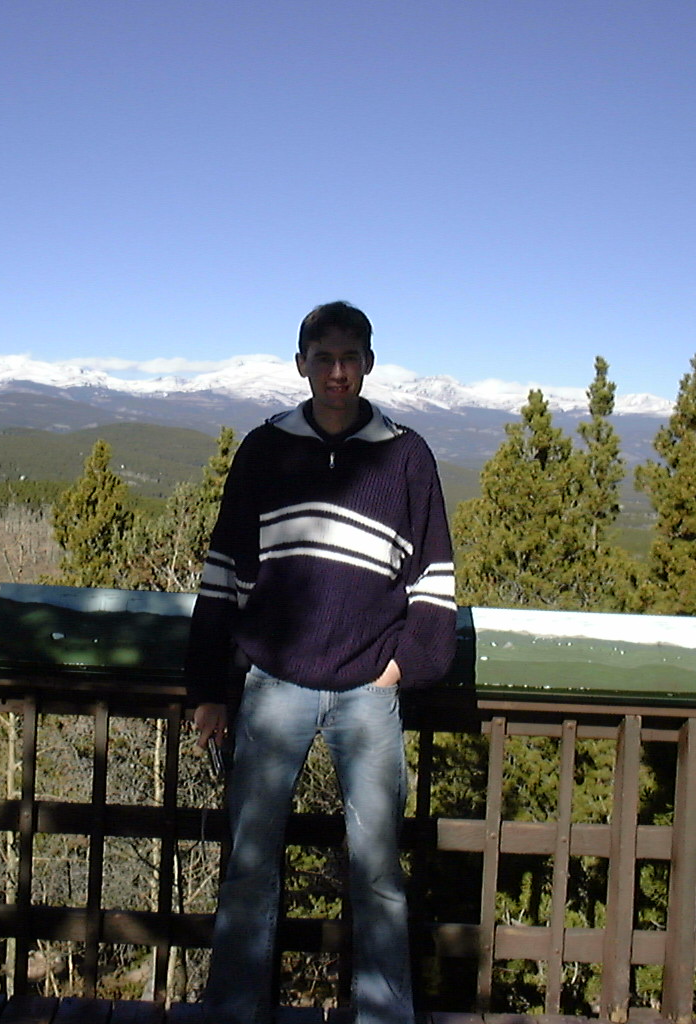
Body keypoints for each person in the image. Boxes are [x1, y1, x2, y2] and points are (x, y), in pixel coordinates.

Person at [186, 301, 457, 1024]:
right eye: (324, 357)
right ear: (301, 363)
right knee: (248, 868)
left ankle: (383, 1015)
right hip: (272, 687)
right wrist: (210, 687)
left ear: (368, 363)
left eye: (350, 357)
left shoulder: (406, 456)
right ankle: (234, 1012)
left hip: (369, 694)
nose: (337, 371)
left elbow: (434, 577)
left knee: (378, 876)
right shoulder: (264, 449)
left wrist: (401, 668)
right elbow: (222, 570)